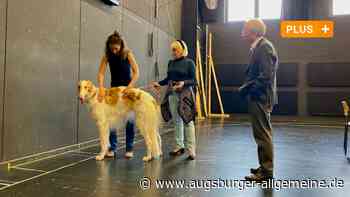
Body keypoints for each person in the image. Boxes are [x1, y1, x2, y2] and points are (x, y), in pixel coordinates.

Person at [239, 19, 278, 181]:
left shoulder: (264, 47)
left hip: (260, 97)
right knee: (261, 133)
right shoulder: (259, 47)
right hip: (258, 96)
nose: (242, 33)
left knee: (262, 134)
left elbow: (266, 76)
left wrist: (248, 89)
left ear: (253, 32)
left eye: (244, 30)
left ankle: (267, 171)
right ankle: (264, 166)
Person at [151, 40, 196, 160]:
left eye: (175, 49)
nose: (173, 52)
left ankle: (191, 150)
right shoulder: (171, 63)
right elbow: (168, 78)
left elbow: (194, 81)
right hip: (172, 93)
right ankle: (179, 146)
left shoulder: (189, 63)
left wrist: (183, 83)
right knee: (177, 121)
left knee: (188, 120)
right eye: (172, 50)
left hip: (185, 94)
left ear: (182, 50)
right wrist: (159, 83)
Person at [97, 31, 140, 159]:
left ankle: (129, 148)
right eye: (112, 49)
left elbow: (137, 72)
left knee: (130, 120)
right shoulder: (107, 56)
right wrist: (100, 88)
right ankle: (112, 148)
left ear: (121, 46)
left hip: (128, 91)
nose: (114, 51)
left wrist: (130, 86)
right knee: (111, 120)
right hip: (114, 92)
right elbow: (101, 73)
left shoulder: (128, 54)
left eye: (116, 48)